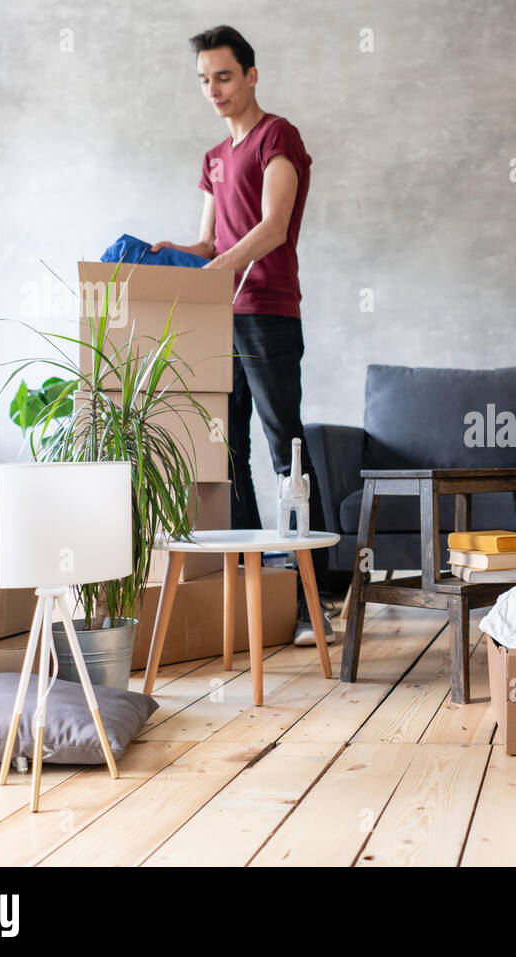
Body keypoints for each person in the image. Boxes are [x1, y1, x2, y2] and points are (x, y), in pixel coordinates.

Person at [152, 25, 334, 646]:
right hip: (219, 316)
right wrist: (177, 251)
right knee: (227, 450)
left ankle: (315, 604)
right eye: (204, 80)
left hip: (267, 313)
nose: (214, 90)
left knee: (286, 448)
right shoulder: (213, 158)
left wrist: (214, 267)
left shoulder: (277, 136)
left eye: (224, 77)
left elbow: (274, 227)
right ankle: (264, 593)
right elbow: (211, 242)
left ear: (251, 75)